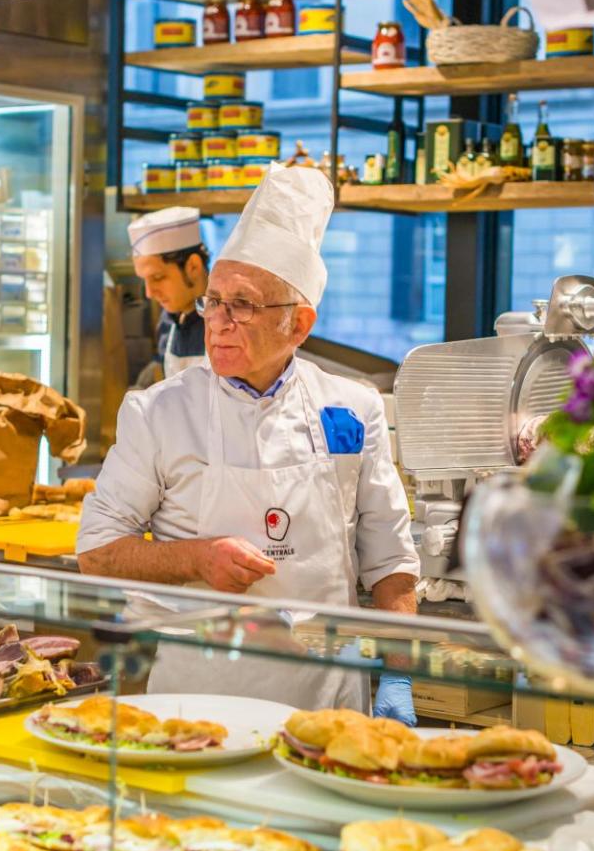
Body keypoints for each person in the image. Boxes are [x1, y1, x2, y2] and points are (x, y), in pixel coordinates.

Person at [78, 163, 420, 721]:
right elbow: (96, 551)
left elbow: (389, 559)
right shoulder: (159, 412)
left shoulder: (353, 410)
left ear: (299, 325)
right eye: (213, 301)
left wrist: (400, 673)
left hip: (327, 704)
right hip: (198, 700)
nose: (218, 321)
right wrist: (196, 559)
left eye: (244, 304)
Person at [129, 206, 208, 377]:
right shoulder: (167, 322)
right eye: (144, 280)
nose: (149, 293)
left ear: (193, 267)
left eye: (158, 277)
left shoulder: (230, 323)